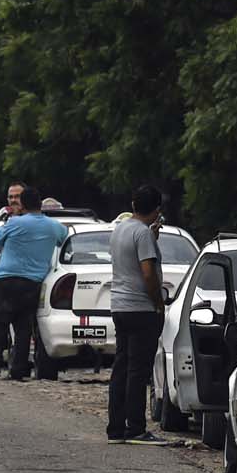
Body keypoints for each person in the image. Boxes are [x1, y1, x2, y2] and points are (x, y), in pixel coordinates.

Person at [0, 186, 67, 380]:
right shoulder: (54, 226)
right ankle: (18, 370)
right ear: (40, 204)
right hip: (33, 283)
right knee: (23, 328)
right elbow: (63, 239)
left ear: (23, 204)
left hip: (6, 281)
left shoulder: (14, 223)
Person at [107, 185, 169, 445]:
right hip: (141, 307)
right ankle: (136, 428)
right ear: (157, 210)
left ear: (133, 205)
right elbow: (147, 272)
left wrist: (151, 236)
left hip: (119, 305)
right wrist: (158, 302)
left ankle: (116, 427)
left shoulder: (121, 228)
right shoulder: (142, 234)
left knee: (121, 367)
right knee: (138, 370)